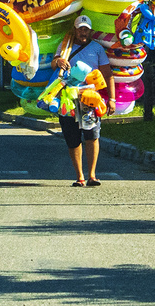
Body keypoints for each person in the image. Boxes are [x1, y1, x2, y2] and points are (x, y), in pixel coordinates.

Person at [51, 15, 115, 187]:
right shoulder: (66, 46)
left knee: (92, 136)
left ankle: (92, 175)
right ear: (75, 29)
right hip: (68, 98)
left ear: (91, 31)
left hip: (90, 99)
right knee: (72, 138)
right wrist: (58, 61)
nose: (83, 32)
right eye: (80, 28)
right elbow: (53, 63)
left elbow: (108, 74)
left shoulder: (97, 49)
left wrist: (112, 99)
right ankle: (79, 176)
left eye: (86, 29)